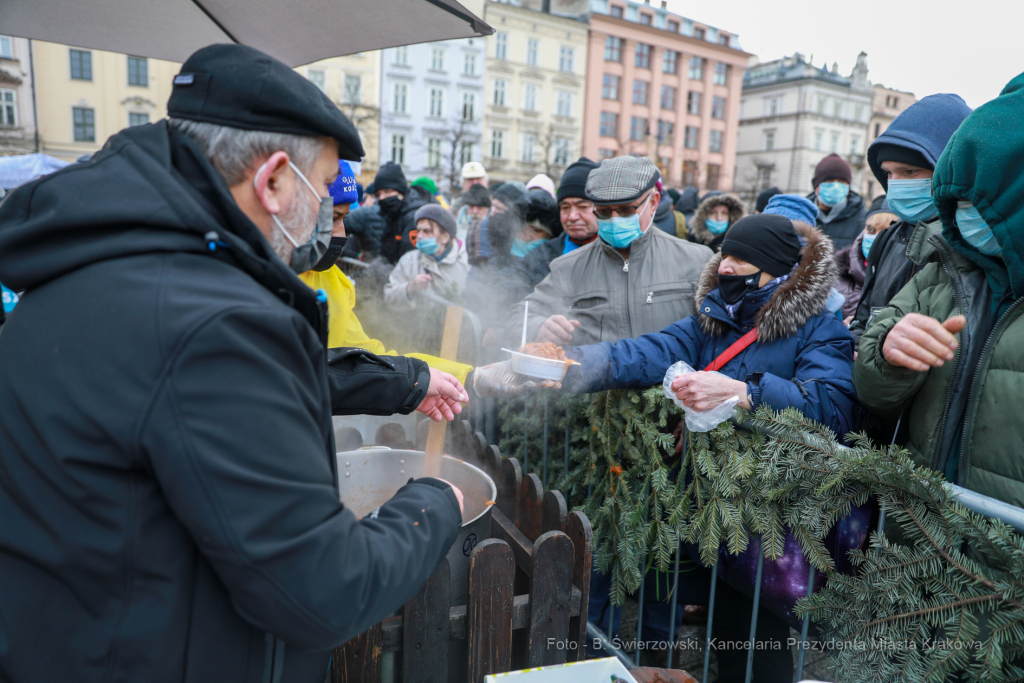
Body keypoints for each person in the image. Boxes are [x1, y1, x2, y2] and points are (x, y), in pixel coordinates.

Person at [0, 44, 467, 683]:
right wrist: (435, 503)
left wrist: (398, 381)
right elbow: (322, 592)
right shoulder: (213, 319)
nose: (330, 212)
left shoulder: (88, 262)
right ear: (274, 179)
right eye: (325, 184)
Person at [480, 214, 858, 681]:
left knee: (759, 639)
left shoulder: (819, 327)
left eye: (741, 261)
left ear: (776, 271)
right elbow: (642, 352)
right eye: (725, 257)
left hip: (770, 513)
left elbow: (834, 406)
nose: (726, 268)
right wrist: (563, 367)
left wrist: (745, 393)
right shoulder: (714, 317)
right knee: (723, 627)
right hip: (713, 507)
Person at [854, 73, 1024, 495]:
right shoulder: (943, 269)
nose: (965, 215)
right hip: (915, 536)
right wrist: (887, 354)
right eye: (957, 202)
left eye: (980, 200)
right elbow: (872, 379)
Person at [509, 155, 713, 348]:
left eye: (625, 210)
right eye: (604, 212)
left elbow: (722, 334)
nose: (614, 219)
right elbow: (519, 315)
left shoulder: (696, 261)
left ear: (653, 203)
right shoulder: (568, 267)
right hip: (595, 382)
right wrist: (539, 327)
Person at [299, 162, 472, 384]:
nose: (342, 233)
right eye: (333, 217)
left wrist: (465, 377)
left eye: (344, 219)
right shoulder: (255, 283)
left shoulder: (329, 280)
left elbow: (362, 357)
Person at [848, 94, 973, 347]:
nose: (895, 183)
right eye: (888, 173)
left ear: (947, 169)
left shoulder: (971, 242)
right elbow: (865, 320)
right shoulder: (889, 238)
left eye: (910, 171)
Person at [503, 157, 599, 300]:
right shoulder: (543, 255)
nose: (572, 216)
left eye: (583, 206)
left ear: (602, 208)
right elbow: (512, 287)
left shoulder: (621, 252)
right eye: (565, 208)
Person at [384, 204, 469, 312]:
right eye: (418, 231)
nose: (419, 236)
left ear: (445, 237)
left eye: (427, 231)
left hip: (454, 327)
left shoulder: (466, 262)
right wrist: (409, 288)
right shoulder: (409, 260)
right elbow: (388, 297)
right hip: (417, 327)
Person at [834, 196, 897, 321]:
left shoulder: (909, 276)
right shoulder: (837, 272)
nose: (877, 237)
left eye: (886, 231)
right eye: (871, 229)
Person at [808, 153, 867, 251]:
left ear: (848, 187)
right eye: (829, 180)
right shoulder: (801, 216)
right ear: (816, 186)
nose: (836, 186)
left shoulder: (863, 220)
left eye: (842, 181)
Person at [374, 161, 430, 265]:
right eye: (378, 194)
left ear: (400, 190)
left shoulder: (413, 216)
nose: (382, 198)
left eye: (387, 191)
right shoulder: (391, 213)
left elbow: (410, 262)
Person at [462, 184, 493, 263]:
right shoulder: (456, 226)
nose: (475, 211)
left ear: (488, 209)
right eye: (471, 207)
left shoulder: (495, 228)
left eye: (480, 207)